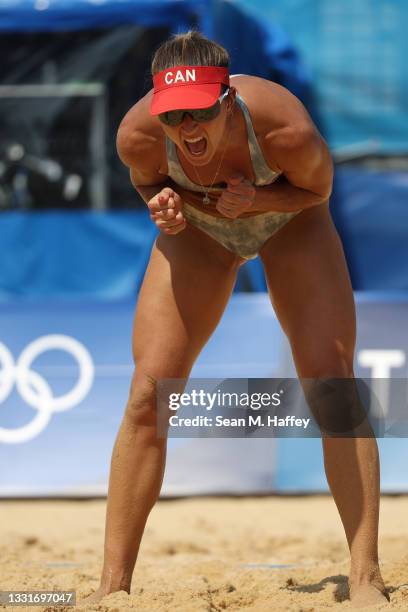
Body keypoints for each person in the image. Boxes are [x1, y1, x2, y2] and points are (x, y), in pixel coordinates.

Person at [81, 31, 389, 608]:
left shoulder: (284, 128)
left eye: (199, 110)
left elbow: (317, 191)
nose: (187, 127)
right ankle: (110, 588)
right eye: (173, 115)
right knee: (150, 392)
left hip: (289, 218)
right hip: (201, 232)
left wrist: (259, 200)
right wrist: (166, 205)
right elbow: (149, 180)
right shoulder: (138, 136)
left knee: (331, 384)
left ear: (227, 99)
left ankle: (366, 576)